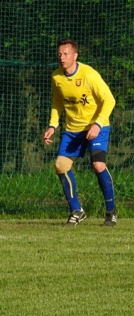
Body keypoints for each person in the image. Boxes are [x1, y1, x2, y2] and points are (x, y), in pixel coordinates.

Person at [42, 38, 117, 227]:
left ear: (75, 56)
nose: (61, 57)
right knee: (60, 165)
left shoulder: (89, 75)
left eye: (65, 54)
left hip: (96, 127)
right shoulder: (57, 77)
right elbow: (57, 102)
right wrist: (52, 126)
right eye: (59, 54)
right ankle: (77, 210)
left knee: (98, 165)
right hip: (72, 130)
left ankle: (111, 211)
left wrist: (98, 124)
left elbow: (109, 100)